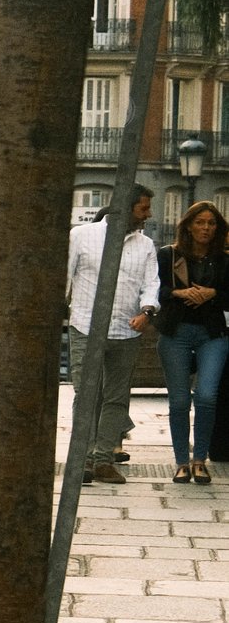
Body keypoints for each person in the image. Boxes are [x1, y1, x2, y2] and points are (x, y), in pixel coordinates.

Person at [67, 186, 159, 486]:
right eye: (143, 208)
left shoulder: (145, 245)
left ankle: (104, 460)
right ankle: (81, 460)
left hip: (126, 330)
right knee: (86, 395)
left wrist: (147, 312)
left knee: (116, 398)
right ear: (125, 207)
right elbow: (66, 276)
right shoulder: (82, 236)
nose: (148, 215)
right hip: (86, 326)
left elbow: (151, 284)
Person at [157, 199, 227, 485]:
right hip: (176, 332)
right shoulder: (168, 255)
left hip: (213, 334)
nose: (206, 228)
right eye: (200, 222)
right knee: (179, 400)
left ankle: (200, 460)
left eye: (211, 223)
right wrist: (179, 294)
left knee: (208, 396)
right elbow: (155, 289)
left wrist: (212, 293)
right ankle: (181, 463)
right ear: (187, 225)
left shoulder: (225, 258)